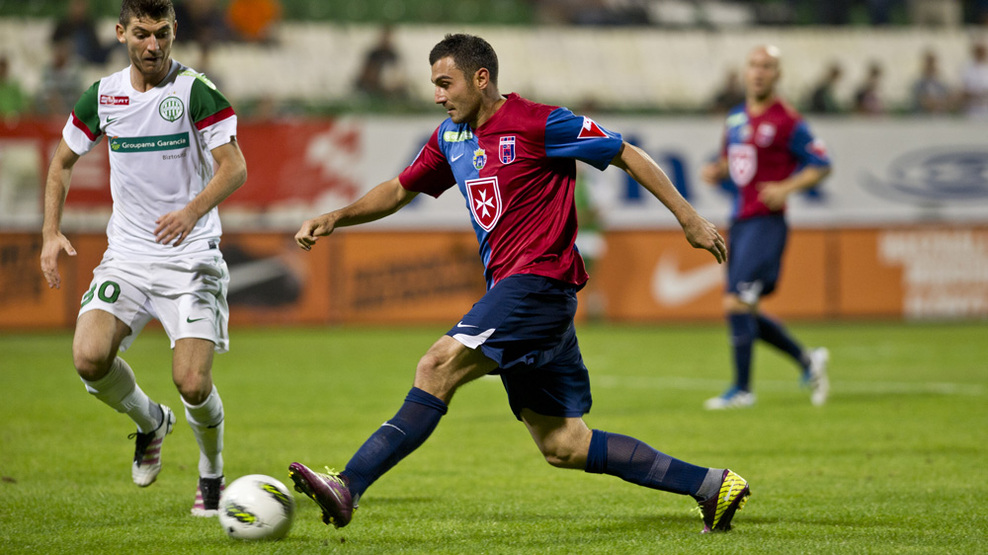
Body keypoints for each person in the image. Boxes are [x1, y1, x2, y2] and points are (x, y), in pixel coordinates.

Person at [288, 33, 749, 534]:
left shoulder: (540, 122)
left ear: (480, 78)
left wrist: (689, 218)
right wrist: (337, 216)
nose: (438, 96)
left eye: (446, 83)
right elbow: (400, 189)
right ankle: (712, 485)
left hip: (538, 284)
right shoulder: (451, 137)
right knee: (564, 444)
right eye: (435, 85)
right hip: (525, 296)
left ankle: (349, 484)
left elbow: (626, 153)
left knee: (436, 365)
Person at [39, 0, 247, 517]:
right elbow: (61, 162)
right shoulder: (102, 96)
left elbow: (234, 167)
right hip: (128, 256)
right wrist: (50, 233)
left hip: (190, 256)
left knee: (192, 382)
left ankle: (212, 471)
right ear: (120, 33)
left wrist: (192, 212)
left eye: (161, 33)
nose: (152, 46)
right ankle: (151, 421)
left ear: (175, 31)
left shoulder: (195, 91)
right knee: (88, 358)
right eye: (141, 34)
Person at [700, 45, 831, 410]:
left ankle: (743, 390)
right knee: (744, 309)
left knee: (737, 302)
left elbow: (822, 164)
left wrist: (786, 188)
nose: (759, 72)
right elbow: (731, 160)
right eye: (754, 65)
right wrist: (716, 170)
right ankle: (807, 359)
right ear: (746, 72)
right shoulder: (735, 118)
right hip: (740, 220)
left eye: (767, 66)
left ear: (777, 75)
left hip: (767, 223)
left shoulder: (788, 120)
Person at [911, 49, 952, 113]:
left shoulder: (941, 84)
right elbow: (923, 101)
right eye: (929, 63)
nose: (931, 66)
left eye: (933, 63)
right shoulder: (918, 84)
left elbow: (948, 99)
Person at [960, 41, 988, 119]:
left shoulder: (986, 68)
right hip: (972, 110)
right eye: (979, 51)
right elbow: (964, 89)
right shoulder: (967, 69)